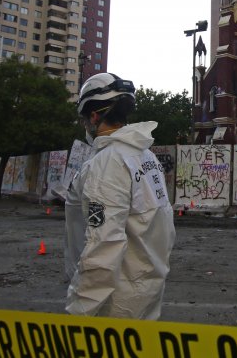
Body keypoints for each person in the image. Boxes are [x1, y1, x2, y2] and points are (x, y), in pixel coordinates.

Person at [66, 73, 176, 319]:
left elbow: (103, 244)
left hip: (113, 302)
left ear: (94, 117)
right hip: (145, 290)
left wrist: (80, 309)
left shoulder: (108, 163)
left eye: (85, 119)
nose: (86, 126)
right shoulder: (145, 157)